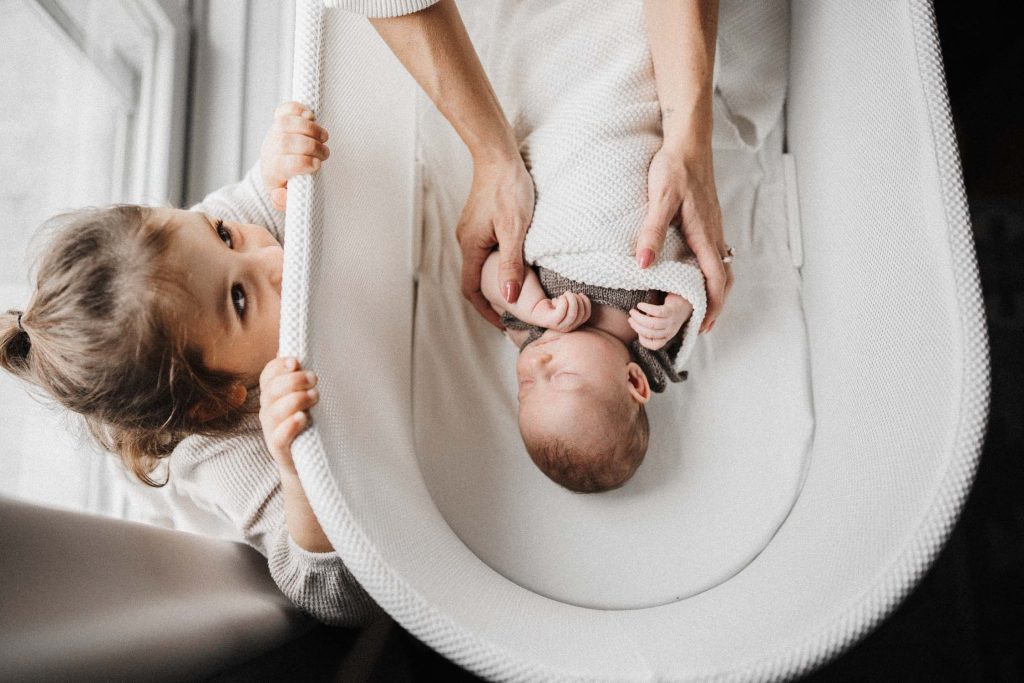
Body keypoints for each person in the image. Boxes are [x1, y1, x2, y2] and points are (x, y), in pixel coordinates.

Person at [0, 102, 378, 626]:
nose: (272, 258)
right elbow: (337, 599)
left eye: (223, 235)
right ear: (217, 398)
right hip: (182, 485)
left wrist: (275, 161)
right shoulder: (223, 452)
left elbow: (253, 197)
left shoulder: (206, 252)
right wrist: (297, 475)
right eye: (240, 299)